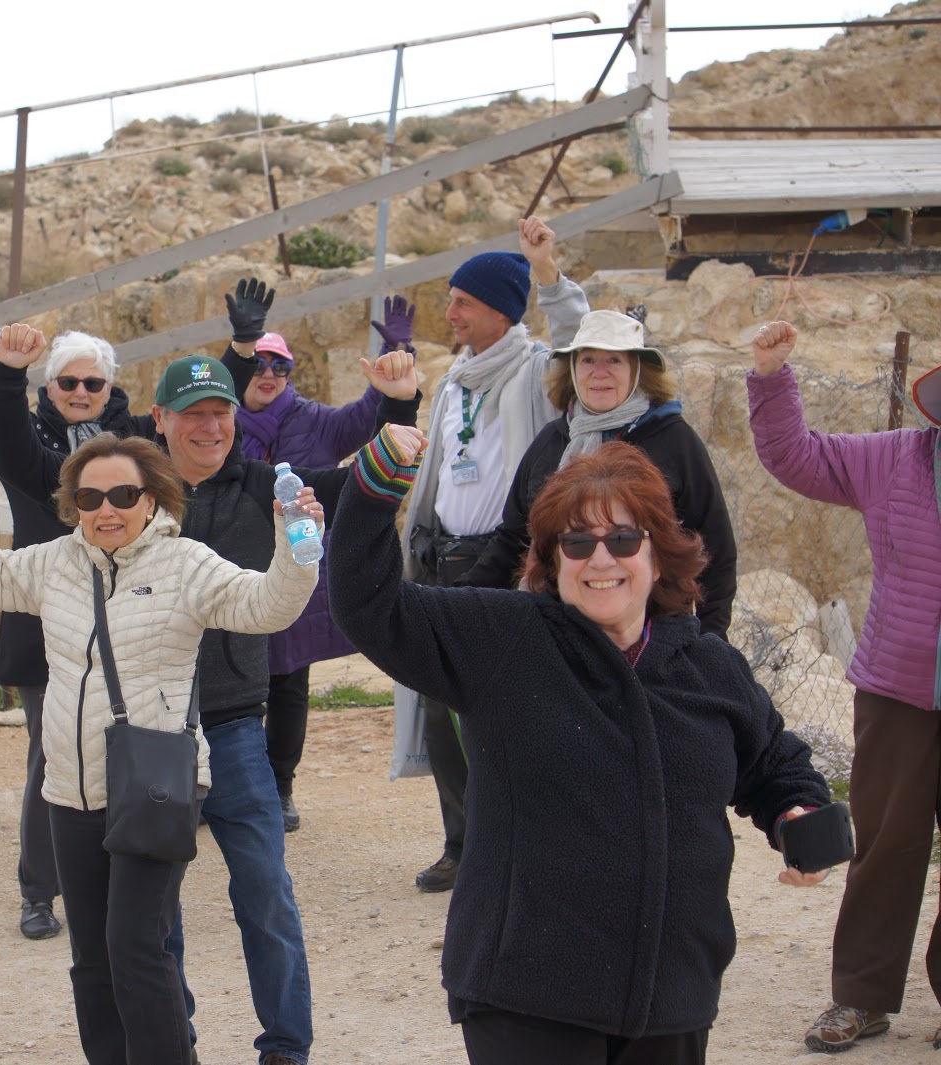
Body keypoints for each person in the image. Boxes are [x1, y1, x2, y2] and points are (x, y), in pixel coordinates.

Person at [0, 324, 419, 1065]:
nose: (211, 427)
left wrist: (400, 407)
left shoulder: (264, 486)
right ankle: (171, 1038)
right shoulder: (119, 493)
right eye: (193, 414)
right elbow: (20, 458)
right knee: (155, 920)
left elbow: (367, 484)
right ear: (160, 420)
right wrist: (3, 376)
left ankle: (285, 1047)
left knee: (265, 892)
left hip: (233, 723)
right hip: (148, 742)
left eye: (221, 412)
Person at [330, 432, 832, 1063]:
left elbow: (774, 765)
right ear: (551, 561)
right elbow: (371, 607)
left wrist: (798, 817)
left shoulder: (709, 666)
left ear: (658, 555)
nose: (601, 559)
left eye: (623, 539)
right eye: (576, 543)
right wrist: (374, 489)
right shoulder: (503, 640)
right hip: (528, 996)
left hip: (672, 994)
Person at [0, 429, 319, 1065]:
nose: (106, 510)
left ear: (153, 499)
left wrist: (296, 546)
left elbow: (268, 607)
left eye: (123, 495)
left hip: (155, 784)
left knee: (136, 948)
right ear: (73, 506)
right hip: (70, 791)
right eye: (89, 498)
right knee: (91, 959)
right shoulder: (53, 563)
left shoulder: (186, 564)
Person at [0, 284, 148, 940]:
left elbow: (203, 438)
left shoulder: (138, 441)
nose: (80, 391)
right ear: (48, 386)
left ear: (109, 388)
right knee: (52, 754)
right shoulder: (23, 436)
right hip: (44, 618)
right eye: (68, 381)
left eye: (92, 383)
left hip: (127, 618)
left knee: (128, 752)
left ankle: (119, 884)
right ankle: (39, 889)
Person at [746, 322, 941, 1054]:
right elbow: (796, 455)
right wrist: (772, 377)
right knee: (887, 842)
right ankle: (861, 996)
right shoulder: (895, 458)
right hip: (898, 690)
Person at [396, 216, 588, 893]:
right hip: (441, 562)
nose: (449, 314)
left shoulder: (537, 372)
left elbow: (577, 339)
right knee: (441, 710)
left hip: (506, 562)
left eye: (463, 303)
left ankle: (518, 844)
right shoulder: (455, 379)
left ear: (501, 311)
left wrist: (546, 272)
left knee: (503, 710)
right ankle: (463, 844)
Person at [217, 278, 408, 831]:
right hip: (233, 568)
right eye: (260, 364)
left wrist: (396, 357)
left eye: (280, 366)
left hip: (295, 571)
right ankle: (225, 787)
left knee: (288, 683)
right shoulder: (218, 424)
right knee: (229, 681)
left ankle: (280, 788)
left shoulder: (314, 420)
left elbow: (372, 414)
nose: (269, 374)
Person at [460, 309, 737, 637]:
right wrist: (458, 603)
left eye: (614, 361)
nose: (599, 372)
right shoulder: (552, 441)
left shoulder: (673, 441)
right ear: (573, 370)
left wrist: (711, 643)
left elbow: (715, 548)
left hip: (652, 635)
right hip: (557, 631)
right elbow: (513, 538)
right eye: (588, 360)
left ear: (637, 371)